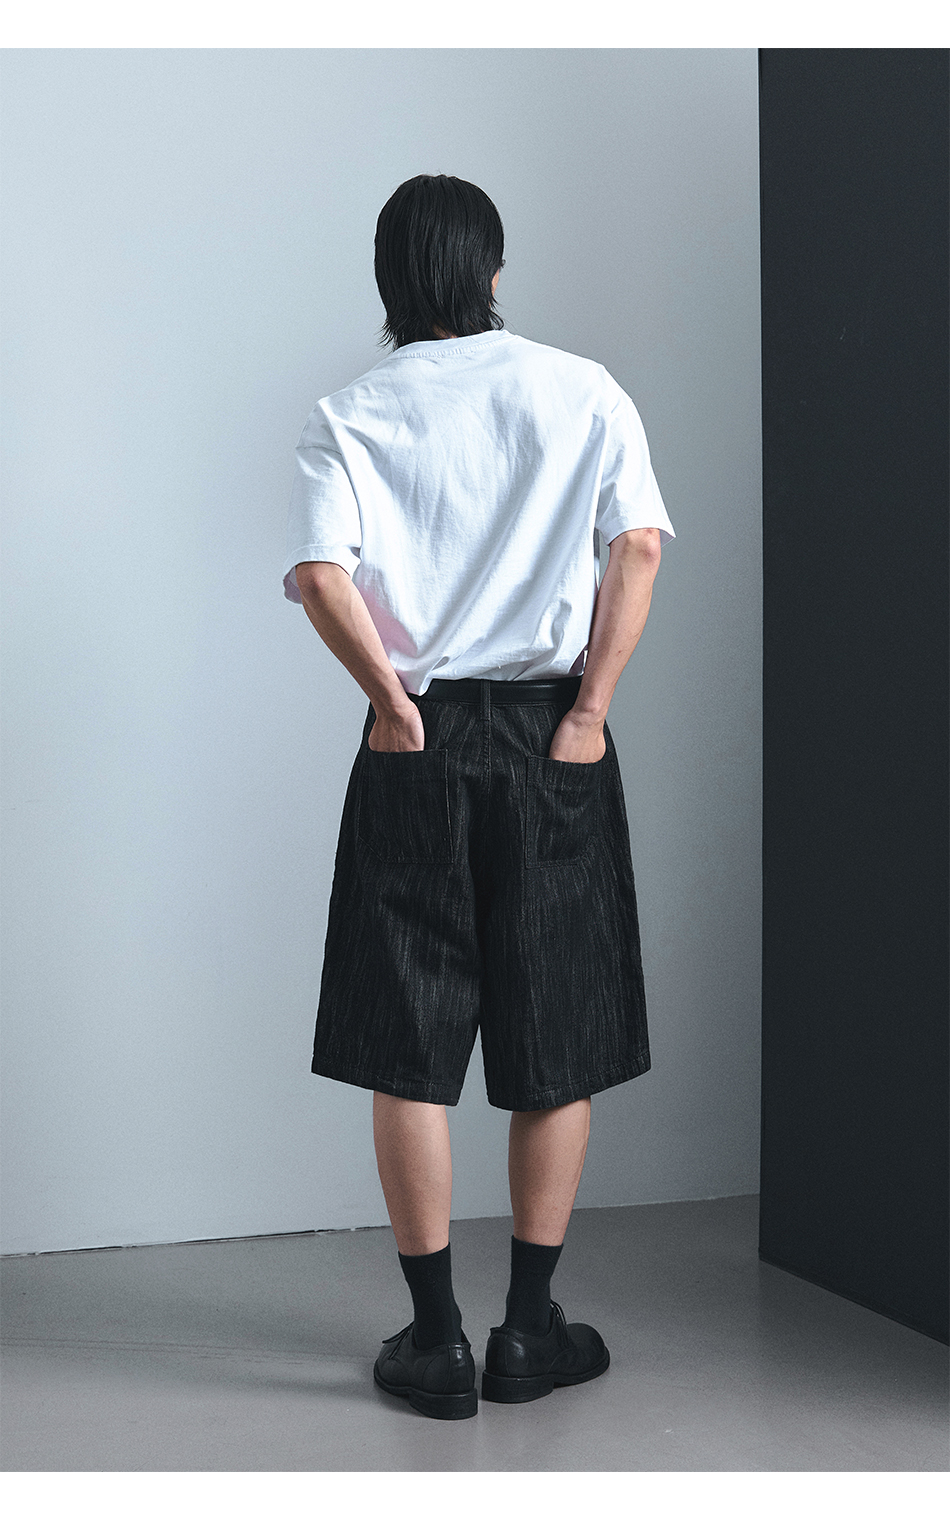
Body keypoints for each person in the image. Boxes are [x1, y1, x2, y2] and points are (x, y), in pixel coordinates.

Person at [282, 174, 675, 1421]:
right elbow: (638, 546)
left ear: (389, 279)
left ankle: (434, 1337)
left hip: (419, 734)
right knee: (556, 1027)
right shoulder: (581, 388)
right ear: (492, 271)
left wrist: (392, 702)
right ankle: (526, 1329)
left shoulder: (349, 413)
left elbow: (318, 573)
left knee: (410, 1036)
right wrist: (588, 711)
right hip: (553, 729)